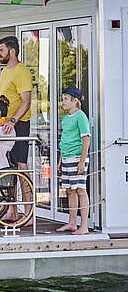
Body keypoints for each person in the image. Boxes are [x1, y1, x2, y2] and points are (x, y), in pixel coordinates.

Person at [0, 36, 33, 224]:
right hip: (5, 125)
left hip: (18, 125)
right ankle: (12, 211)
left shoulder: (22, 72)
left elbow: (26, 103)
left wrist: (12, 120)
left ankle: (29, 213)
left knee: (21, 167)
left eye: (1, 51)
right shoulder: (5, 72)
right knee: (8, 168)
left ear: (11, 51)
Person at [56, 87, 91, 235]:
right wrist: (60, 160)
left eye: (65, 99)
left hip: (77, 158)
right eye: (62, 98)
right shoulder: (65, 118)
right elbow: (64, 140)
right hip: (67, 157)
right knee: (70, 190)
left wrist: (82, 161)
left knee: (80, 190)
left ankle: (84, 226)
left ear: (74, 101)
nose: (62, 102)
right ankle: (72, 223)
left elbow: (86, 139)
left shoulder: (81, 116)